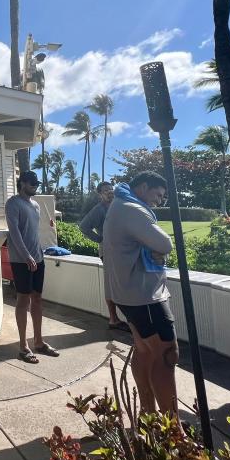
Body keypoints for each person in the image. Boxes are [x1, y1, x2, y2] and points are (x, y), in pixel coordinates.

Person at [101, 171, 176, 414]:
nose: (160, 201)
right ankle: (172, 429)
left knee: (144, 351)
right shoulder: (132, 209)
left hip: (129, 294)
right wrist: (159, 250)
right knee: (166, 355)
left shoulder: (119, 204)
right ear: (143, 187)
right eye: (158, 194)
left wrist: (152, 248)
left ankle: (148, 415)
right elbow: (165, 244)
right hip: (145, 296)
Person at [5, 170, 59, 363]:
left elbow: (34, 233)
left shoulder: (36, 205)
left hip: (38, 258)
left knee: (37, 299)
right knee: (23, 300)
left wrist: (37, 254)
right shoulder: (13, 203)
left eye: (37, 184)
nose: (35, 186)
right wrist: (26, 256)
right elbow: (14, 233)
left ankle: (39, 342)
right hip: (21, 260)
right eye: (32, 183)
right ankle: (23, 346)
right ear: (23, 183)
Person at [79, 181, 129, 332]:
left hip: (120, 252)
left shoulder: (119, 206)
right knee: (110, 285)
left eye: (110, 189)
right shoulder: (99, 210)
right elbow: (83, 227)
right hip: (107, 252)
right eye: (105, 190)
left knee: (120, 284)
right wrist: (100, 239)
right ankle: (113, 319)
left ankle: (123, 318)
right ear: (100, 194)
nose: (109, 192)